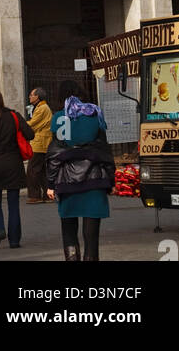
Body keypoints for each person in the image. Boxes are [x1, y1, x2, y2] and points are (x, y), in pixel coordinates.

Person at [46, 81, 114, 262]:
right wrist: (111, 179)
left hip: (67, 182)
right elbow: (105, 152)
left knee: (69, 229)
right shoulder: (94, 115)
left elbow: (55, 154)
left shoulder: (61, 118)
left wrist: (51, 184)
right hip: (95, 180)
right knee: (91, 237)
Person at [0, 89, 34, 249]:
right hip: (13, 164)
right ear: (2, 100)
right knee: (13, 204)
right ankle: (14, 240)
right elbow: (30, 134)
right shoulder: (13, 116)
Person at [26, 86, 53, 203]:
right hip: (43, 143)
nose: (30, 97)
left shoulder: (42, 108)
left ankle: (35, 195)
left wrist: (21, 124)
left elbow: (33, 124)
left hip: (39, 143)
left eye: (32, 95)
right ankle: (47, 194)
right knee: (41, 171)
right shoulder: (41, 107)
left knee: (32, 170)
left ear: (37, 96)